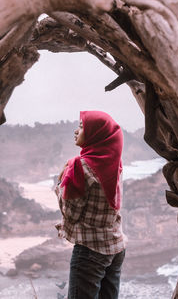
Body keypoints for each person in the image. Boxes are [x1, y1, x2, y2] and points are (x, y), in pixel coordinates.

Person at [55, 110, 126, 299]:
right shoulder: (114, 163)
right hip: (116, 246)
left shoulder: (80, 167)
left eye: (81, 126)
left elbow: (71, 213)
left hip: (90, 251)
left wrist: (61, 182)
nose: (76, 131)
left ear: (96, 133)